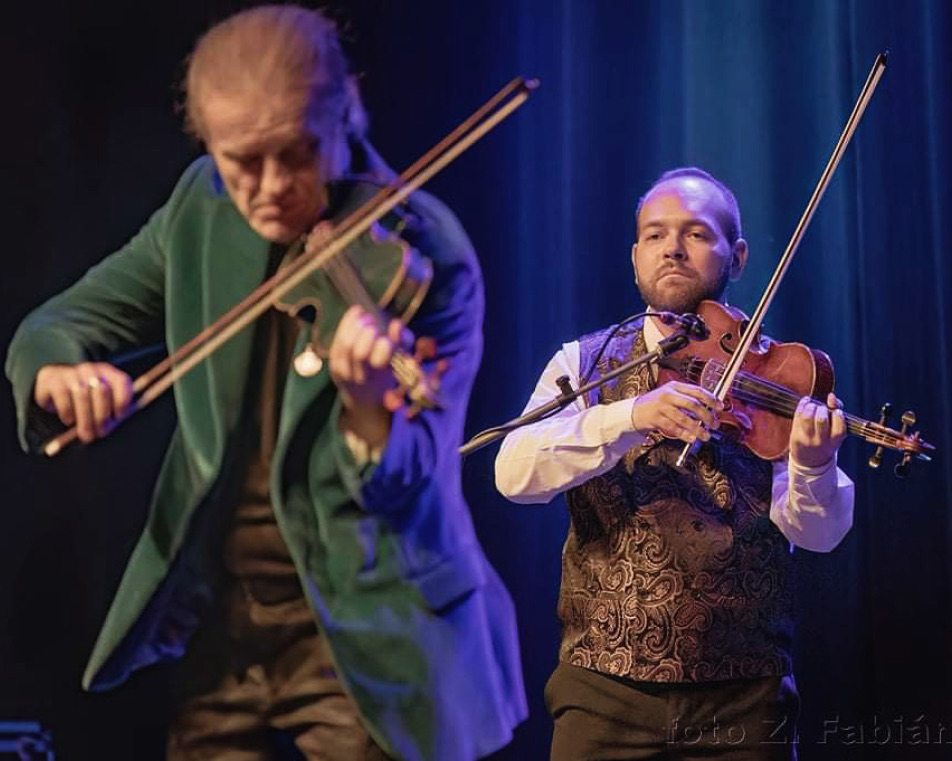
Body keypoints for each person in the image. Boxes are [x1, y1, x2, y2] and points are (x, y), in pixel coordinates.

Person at [5, 6, 525, 761]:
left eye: (298, 153)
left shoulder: (426, 252)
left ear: (345, 109)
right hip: (223, 620)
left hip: (365, 622)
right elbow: (60, 323)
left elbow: (411, 481)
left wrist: (369, 404)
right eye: (241, 162)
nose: (271, 187)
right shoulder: (201, 209)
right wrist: (59, 370)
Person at [495, 167, 854, 760]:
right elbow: (512, 474)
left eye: (696, 233)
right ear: (636, 256)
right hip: (602, 693)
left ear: (736, 257)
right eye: (656, 234)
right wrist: (630, 415)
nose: (673, 248)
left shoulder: (784, 376)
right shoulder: (586, 363)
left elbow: (818, 536)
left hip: (743, 698)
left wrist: (814, 467)